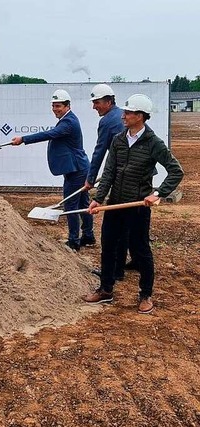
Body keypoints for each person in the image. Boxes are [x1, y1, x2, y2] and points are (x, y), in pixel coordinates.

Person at [82, 94, 183, 314]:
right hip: (115, 203)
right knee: (108, 246)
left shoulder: (154, 143)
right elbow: (109, 172)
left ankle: (145, 295)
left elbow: (176, 171)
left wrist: (158, 193)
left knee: (141, 250)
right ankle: (106, 290)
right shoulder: (118, 139)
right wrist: (99, 198)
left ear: (140, 116)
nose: (123, 116)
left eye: (127, 113)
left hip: (137, 206)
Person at [11, 89, 94, 251]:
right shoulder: (67, 119)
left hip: (76, 170)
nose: (55, 109)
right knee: (83, 204)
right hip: (79, 168)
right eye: (53, 106)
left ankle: (74, 241)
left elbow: (49, 134)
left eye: (59, 106)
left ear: (67, 106)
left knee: (72, 205)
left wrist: (23, 139)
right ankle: (88, 236)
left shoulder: (68, 122)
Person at [87, 84, 128, 281]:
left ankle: (115, 271)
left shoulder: (108, 121)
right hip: (138, 175)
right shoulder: (121, 115)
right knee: (133, 221)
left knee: (114, 225)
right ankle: (134, 259)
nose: (94, 106)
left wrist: (90, 179)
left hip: (124, 178)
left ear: (108, 102)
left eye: (97, 102)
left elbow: (99, 151)